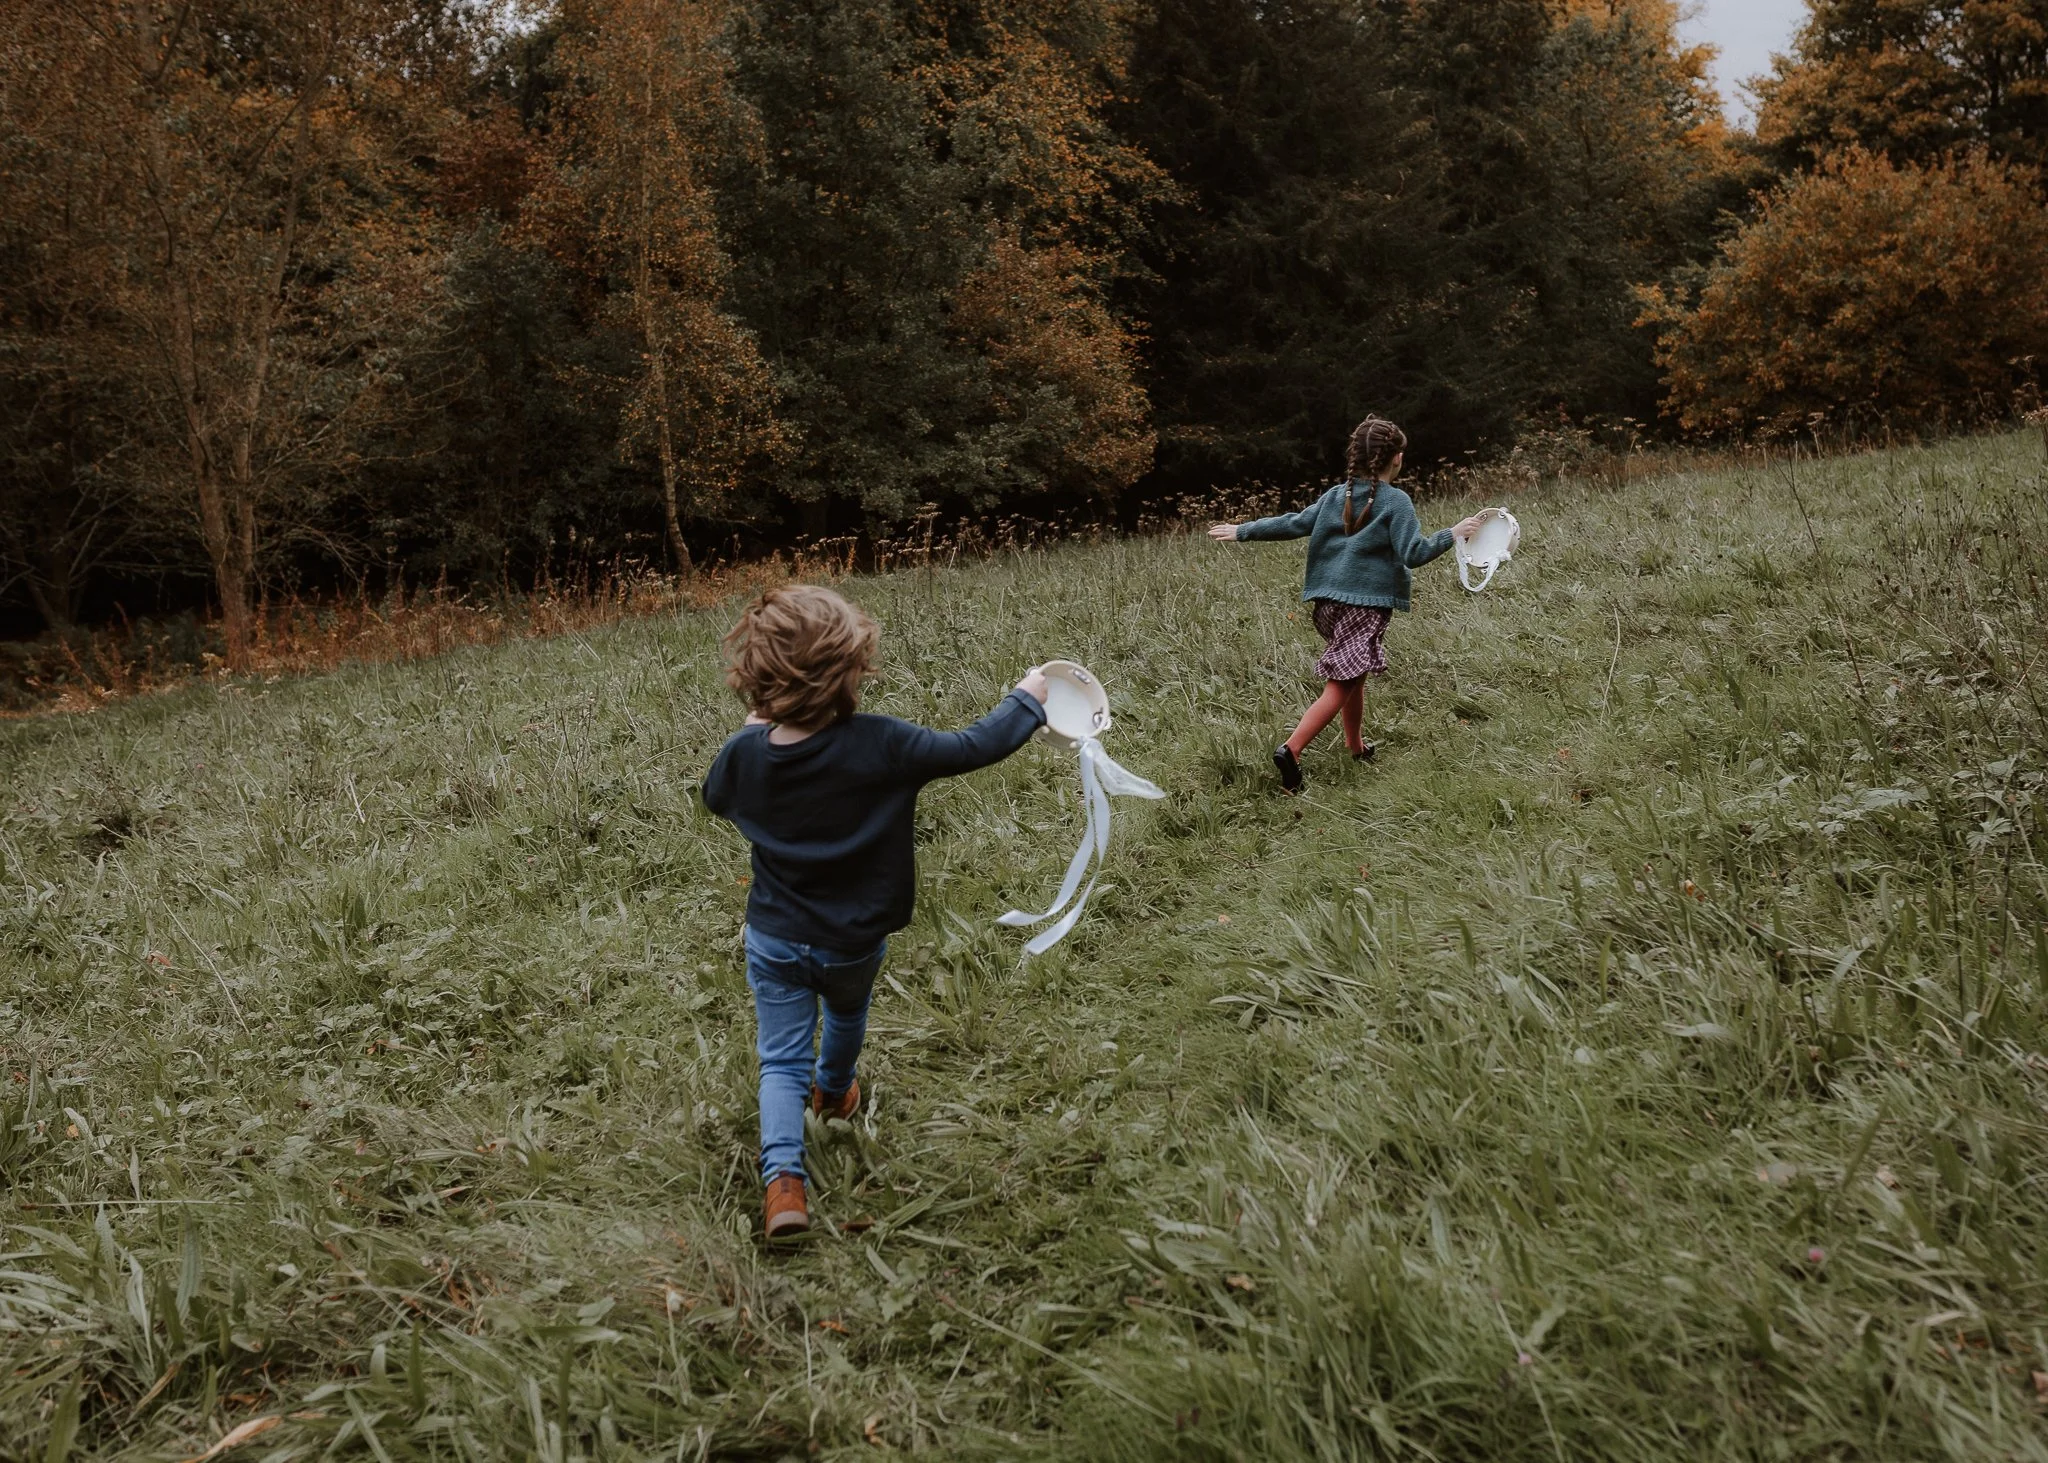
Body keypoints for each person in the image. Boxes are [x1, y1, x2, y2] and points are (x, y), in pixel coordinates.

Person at [701, 584, 1049, 1237]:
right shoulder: (884, 744)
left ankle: (784, 1185)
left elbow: (716, 797)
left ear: (758, 676)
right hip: (853, 939)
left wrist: (751, 732)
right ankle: (835, 1092)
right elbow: (974, 745)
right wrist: (1029, 695)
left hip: (775, 937)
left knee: (779, 1061)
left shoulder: (745, 754)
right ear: (852, 669)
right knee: (848, 1012)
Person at [1209, 416, 1479, 791]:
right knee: (1341, 681)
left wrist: (1244, 530)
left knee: (1355, 673)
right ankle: (1292, 749)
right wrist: (1453, 533)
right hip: (1363, 606)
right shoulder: (1396, 502)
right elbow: (1414, 553)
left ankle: (1356, 746)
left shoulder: (1338, 494)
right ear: (1397, 458)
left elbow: (1293, 523)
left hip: (1327, 605)